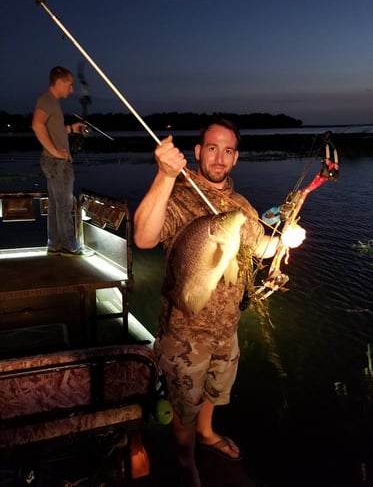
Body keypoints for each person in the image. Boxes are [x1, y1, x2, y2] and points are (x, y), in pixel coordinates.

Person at [133, 118, 305, 487]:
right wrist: (164, 176)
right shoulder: (179, 195)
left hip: (227, 328)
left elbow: (259, 248)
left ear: (236, 157)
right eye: (212, 147)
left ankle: (208, 435)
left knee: (214, 394)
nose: (219, 157)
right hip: (184, 333)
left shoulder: (239, 205)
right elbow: (145, 238)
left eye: (228, 150)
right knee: (184, 409)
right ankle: (186, 463)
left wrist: (286, 240)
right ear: (197, 152)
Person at [32, 66, 93, 257]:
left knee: (57, 204)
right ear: (59, 82)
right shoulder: (47, 100)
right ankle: (70, 246)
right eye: (70, 84)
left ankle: (55, 244)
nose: (72, 89)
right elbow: (36, 125)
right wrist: (56, 153)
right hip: (57, 164)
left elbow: (53, 130)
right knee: (65, 205)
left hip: (52, 162)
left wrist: (71, 129)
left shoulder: (51, 102)